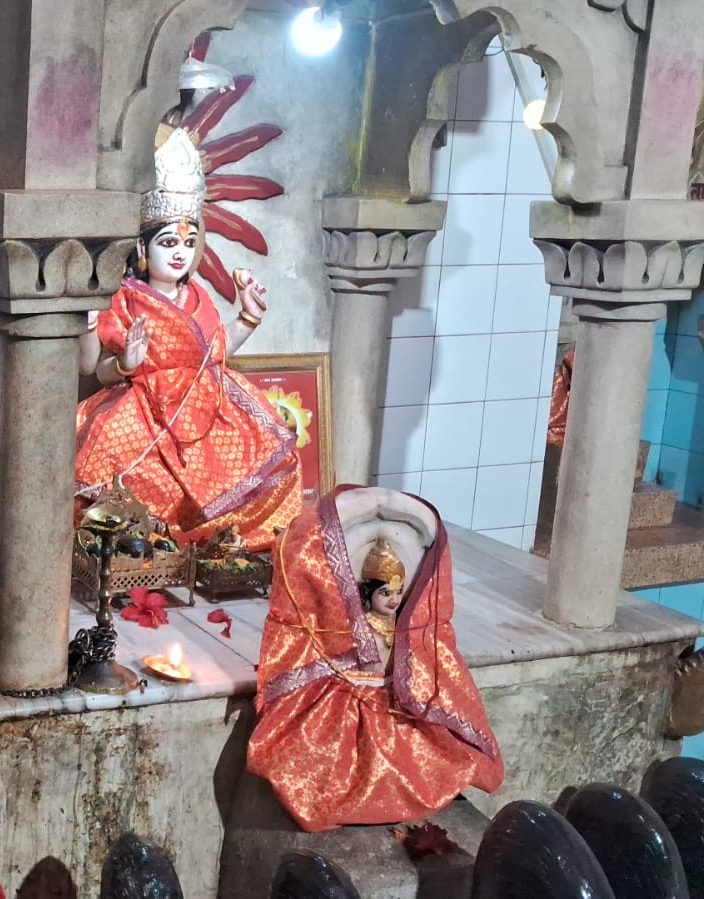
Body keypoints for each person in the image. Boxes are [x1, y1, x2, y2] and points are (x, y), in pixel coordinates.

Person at [74, 128, 301, 551]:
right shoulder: (124, 299)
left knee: (271, 457)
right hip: (144, 406)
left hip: (208, 402)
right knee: (122, 470)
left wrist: (248, 316)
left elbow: (212, 354)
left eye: (188, 242)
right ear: (142, 248)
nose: (179, 252)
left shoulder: (197, 296)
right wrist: (127, 361)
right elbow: (96, 370)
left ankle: (221, 545)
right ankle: (148, 549)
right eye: (167, 242)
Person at [248, 486, 503, 832]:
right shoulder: (351, 624)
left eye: (399, 592)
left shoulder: (403, 625)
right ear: (366, 593)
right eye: (386, 592)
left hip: (392, 706)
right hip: (345, 707)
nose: (395, 600)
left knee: (430, 761)